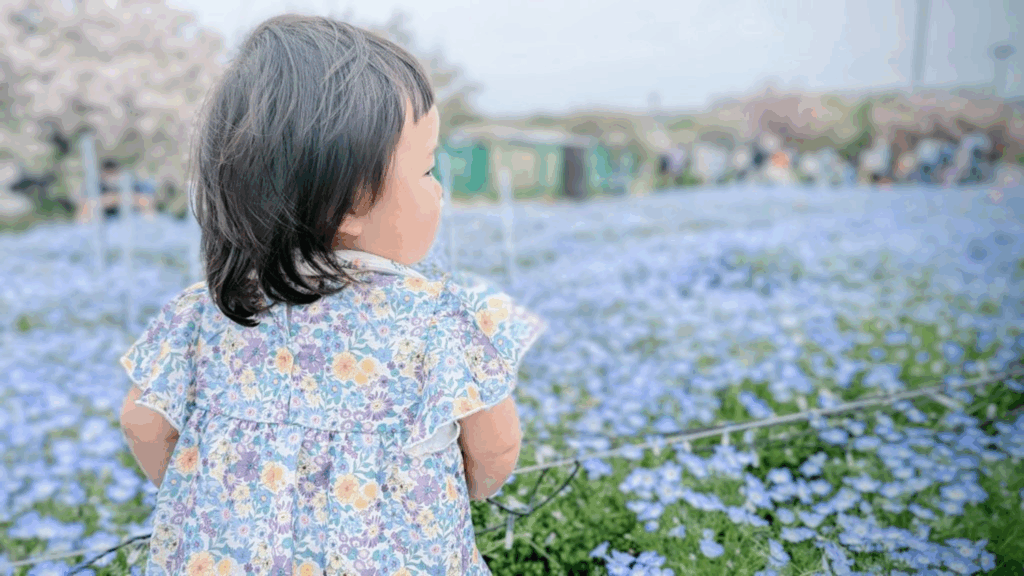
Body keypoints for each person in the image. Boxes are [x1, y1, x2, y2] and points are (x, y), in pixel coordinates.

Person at [116, 14, 547, 576]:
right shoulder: (438, 317)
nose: (439, 190)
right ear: (348, 205)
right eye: (426, 170)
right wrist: (451, 494)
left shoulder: (205, 311)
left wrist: (209, 498)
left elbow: (142, 423)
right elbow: (495, 448)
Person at [74, 159, 158, 223]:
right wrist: (108, 200)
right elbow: (82, 216)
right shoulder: (94, 188)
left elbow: (147, 203)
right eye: (108, 176)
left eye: (114, 174)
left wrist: (118, 198)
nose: (111, 179)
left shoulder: (134, 185)